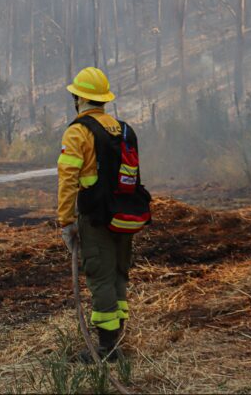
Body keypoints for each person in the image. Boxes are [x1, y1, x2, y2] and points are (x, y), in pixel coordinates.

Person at [58, 66, 150, 363]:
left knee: (99, 277)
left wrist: (66, 221)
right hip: (124, 215)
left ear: (79, 99)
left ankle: (107, 348)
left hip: (95, 218)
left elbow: (67, 178)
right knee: (119, 275)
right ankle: (117, 339)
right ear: (103, 99)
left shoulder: (78, 131)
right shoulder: (123, 129)